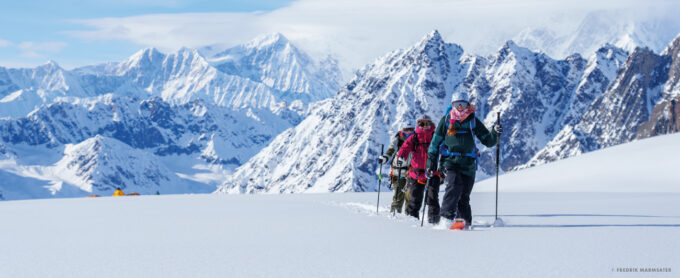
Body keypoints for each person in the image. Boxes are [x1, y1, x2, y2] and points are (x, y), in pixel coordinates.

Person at [427, 92, 502, 229]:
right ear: (452, 105)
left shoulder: (473, 121)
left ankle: (464, 223)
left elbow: (488, 141)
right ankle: (446, 218)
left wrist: (495, 132)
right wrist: (431, 163)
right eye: (457, 104)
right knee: (454, 185)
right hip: (450, 161)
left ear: (468, 105)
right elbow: (434, 144)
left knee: (464, 195)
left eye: (463, 104)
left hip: (468, 164)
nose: (460, 107)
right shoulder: (446, 121)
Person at [396, 115, 441, 222]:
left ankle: (434, 222)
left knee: (432, 199)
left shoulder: (436, 136)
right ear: (418, 124)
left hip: (432, 173)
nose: (425, 126)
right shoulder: (414, 137)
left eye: (428, 123)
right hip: (416, 174)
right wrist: (401, 157)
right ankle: (412, 223)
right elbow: (405, 148)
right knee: (415, 200)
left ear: (431, 124)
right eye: (422, 123)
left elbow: (444, 147)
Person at [379, 126, 414, 214]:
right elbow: (391, 150)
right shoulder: (397, 139)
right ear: (402, 130)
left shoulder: (416, 140)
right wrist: (385, 158)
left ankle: (408, 218)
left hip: (411, 173)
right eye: (406, 129)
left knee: (410, 197)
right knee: (398, 196)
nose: (409, 132)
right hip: (398, 172)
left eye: (411, 129)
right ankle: (394, 217)